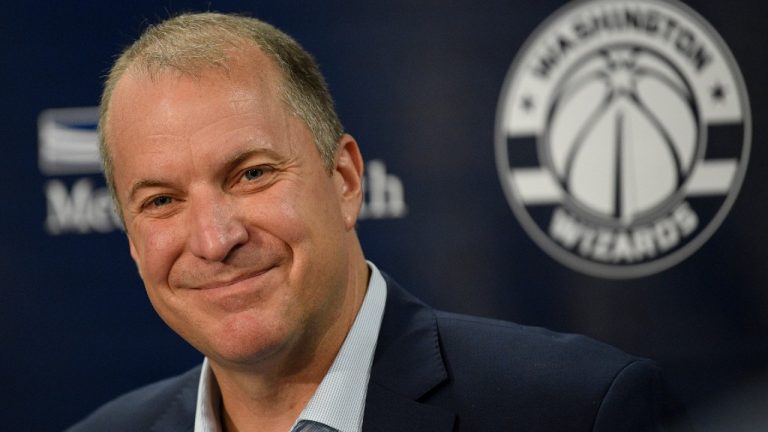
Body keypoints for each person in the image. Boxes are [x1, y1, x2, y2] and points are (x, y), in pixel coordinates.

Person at [67, 12, 688, 432]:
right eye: (161, 201)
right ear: (132, 238)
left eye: (251, 173)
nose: (214, 239)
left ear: (344, 180)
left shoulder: (575, 409)